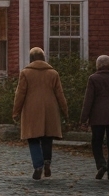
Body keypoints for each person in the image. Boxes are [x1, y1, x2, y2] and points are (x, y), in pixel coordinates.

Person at [13, 47, 68, 180]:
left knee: (32, 137)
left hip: (31, 108)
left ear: (31, 59)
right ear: (44, 58)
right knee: (47, 137)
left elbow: (20, 94)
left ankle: (38, 165)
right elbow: (60, 94)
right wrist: (65, 111)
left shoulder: (26, 73)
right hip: (50, 108)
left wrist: (16, 111)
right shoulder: (53, 73)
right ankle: (47, 161)